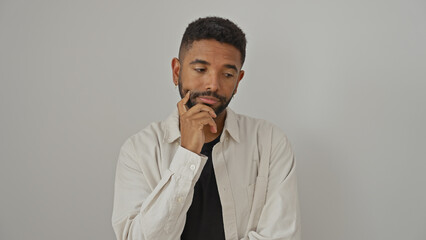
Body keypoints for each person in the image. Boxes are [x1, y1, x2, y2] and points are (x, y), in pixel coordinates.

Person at [112, 16, 301, 240]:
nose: (213, 84)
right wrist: (187, 156)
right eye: (201, 69)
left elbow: (280, 236)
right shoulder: (139, 150)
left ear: (238, 81)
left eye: (227, 74)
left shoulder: (269, 142)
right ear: (176, 72)